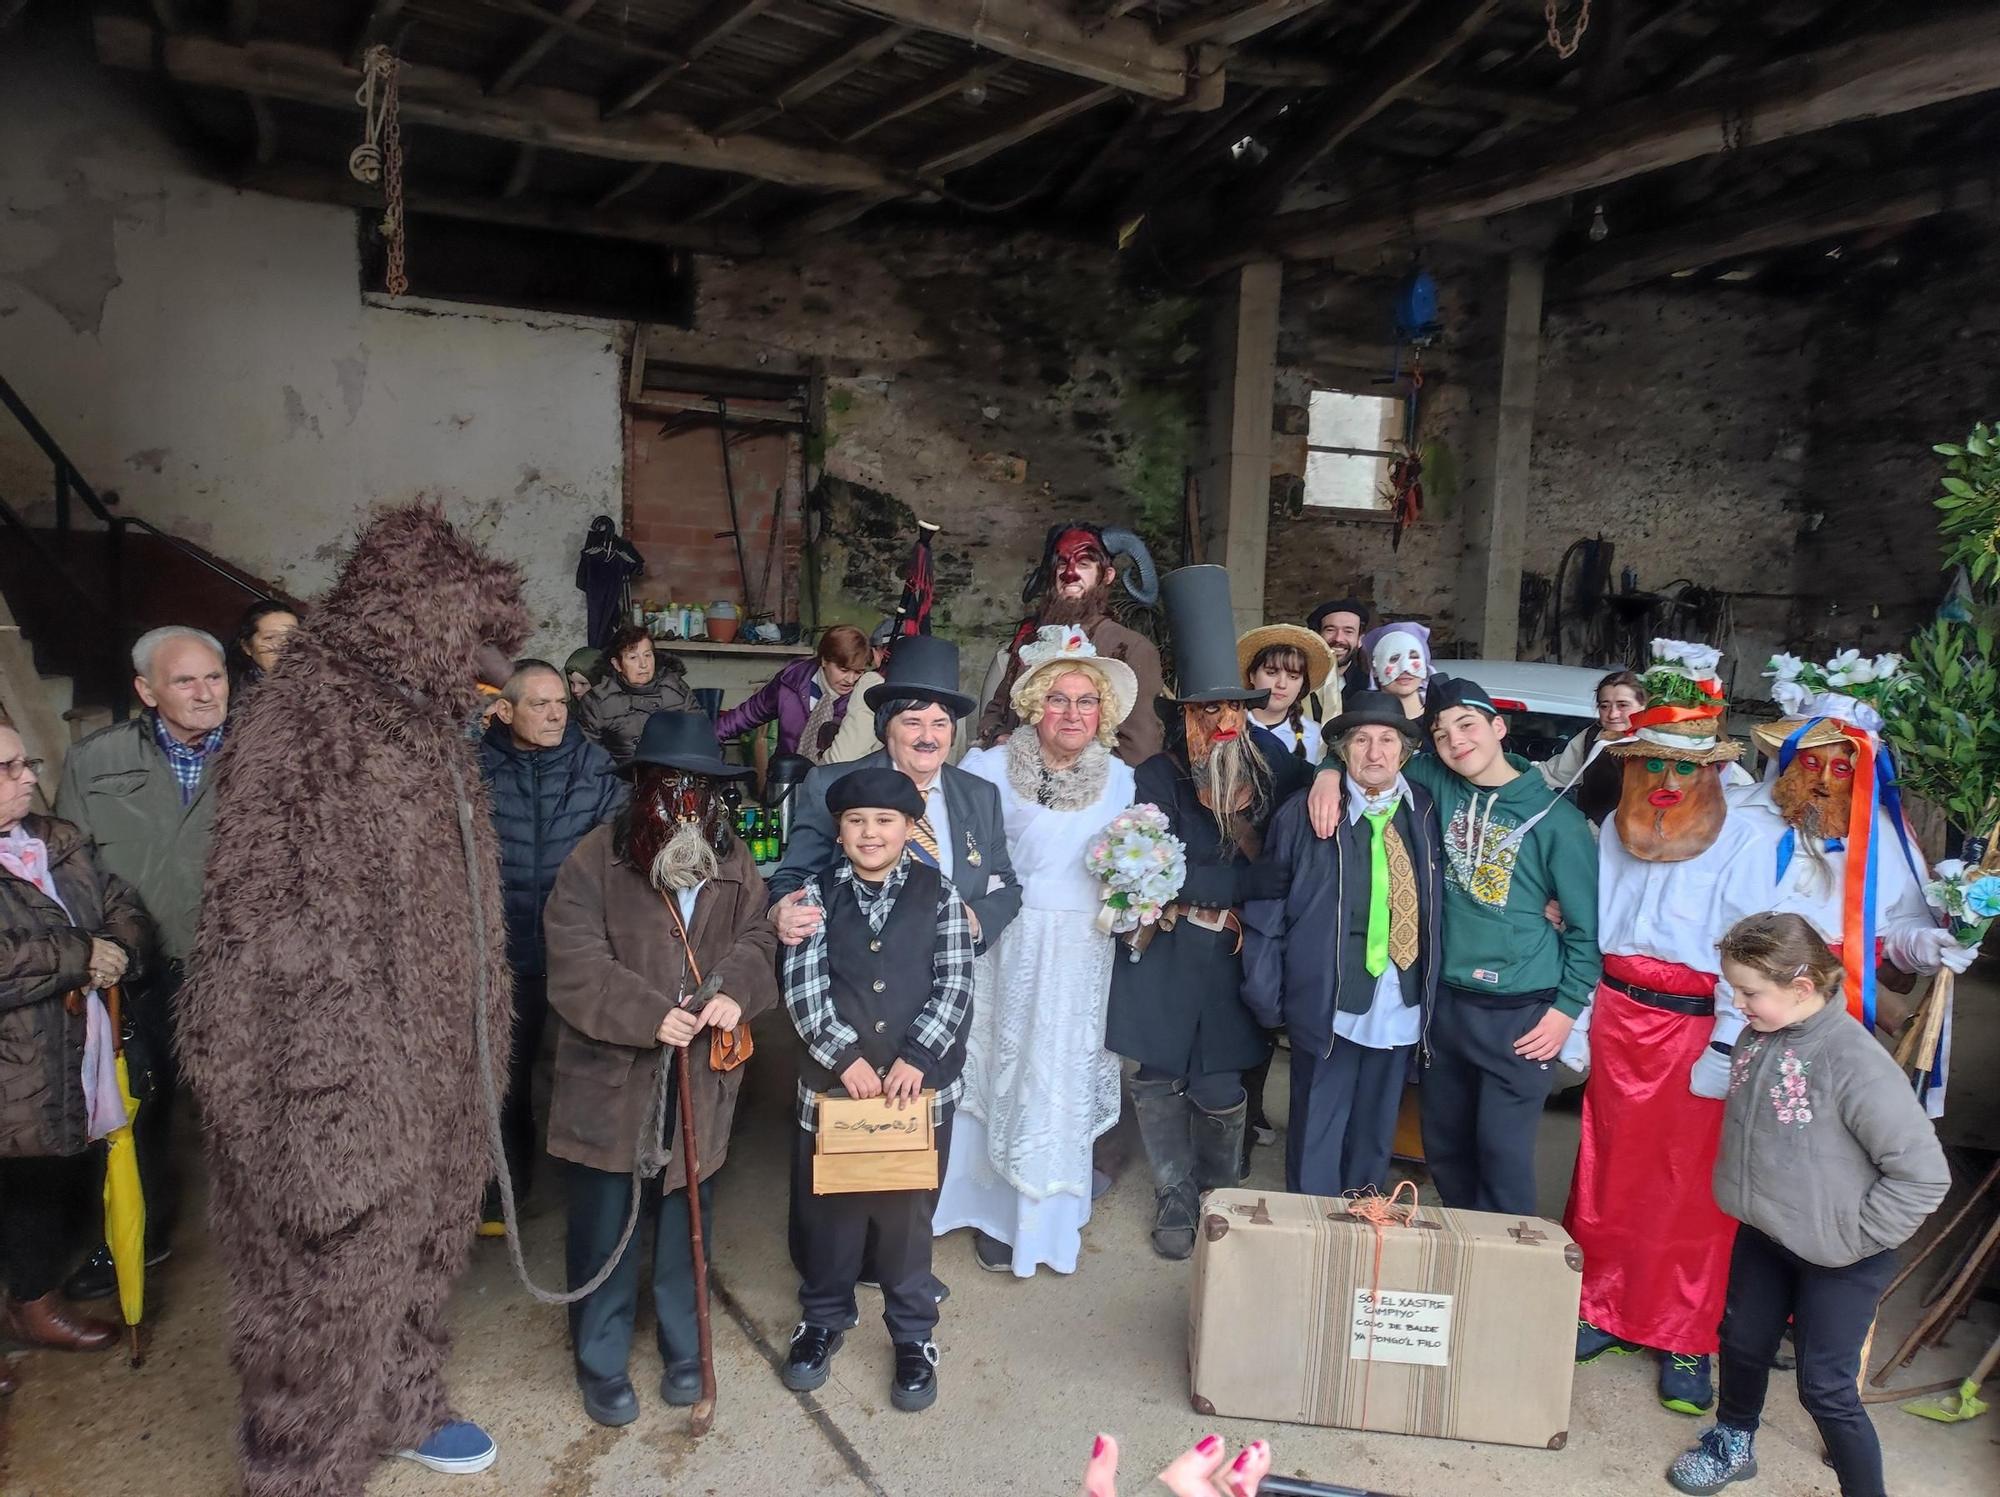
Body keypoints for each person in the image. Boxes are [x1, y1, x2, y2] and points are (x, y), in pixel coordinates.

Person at [179, 504, 528, 1490]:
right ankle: (298, 1469)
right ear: (421, 623)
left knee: (420, 1257)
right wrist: (334, 1108)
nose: (489, 681)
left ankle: (405, 1406)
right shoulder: (311, 721)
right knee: (324, 1294)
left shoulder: (428, 722)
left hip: (433, 1065)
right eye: (478, 653)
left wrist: (470, 1056)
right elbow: (271, 937)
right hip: (337, 1087)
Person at [543, 710, 778, 1427]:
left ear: (715, 795)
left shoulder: (734, 859)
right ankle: (601, 1357)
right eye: (668, 784)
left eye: (698, 787)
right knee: (607, 1220)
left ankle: (685, 1347)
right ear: (642, 788)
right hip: (611, 1074)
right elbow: (574, 957)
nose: (684, 801)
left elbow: (759, 937)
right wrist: (648, 1012)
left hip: (700, 1075)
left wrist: (733, 992)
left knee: (687, 1215)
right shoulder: (595, 859)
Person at [1666, 913, 1949, 1497]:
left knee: (1825, 1388)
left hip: (1842, 1254)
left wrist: (1856, 1237)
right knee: (1742, 1343)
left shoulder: (1855, 1064)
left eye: (1749, 992)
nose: (1737, 1003)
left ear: (1801, 988)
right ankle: (1733, 1441)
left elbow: (1924, 1176)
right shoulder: (1758, 1035)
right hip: (1766, 1231)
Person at [1563, 643, 1774, 1416]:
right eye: (1653, 766)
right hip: (1618, 1016)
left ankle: (1685, 1334)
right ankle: (1602, 1306)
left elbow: (1750, 945)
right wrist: (1583, 1015)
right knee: (1606, 1167)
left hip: (1696, 1029)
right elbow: (1594, 925)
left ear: (1713, 769)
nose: (1668, 783)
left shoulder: (1745, 837)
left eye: (1685, 768)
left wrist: (1727, 1038)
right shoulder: (1615, 827)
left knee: (1689, 1188)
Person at [1305, 673, 1600, 1217]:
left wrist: (1565, 1011)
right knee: (1445, 1148)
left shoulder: (1559, 821)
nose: (1455, 742)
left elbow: (1586, 931)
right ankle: (1467, 1262)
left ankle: (1511, 1272)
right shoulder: (1436, 786)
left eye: (1467, 726)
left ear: (1498, 727)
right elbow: (1370, 759)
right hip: (1442, 1004)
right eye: (1440, 734)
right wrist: (1327, 772)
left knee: (1503, 1153)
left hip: (1521, 1012)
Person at [1106, 566, 1307, 1260]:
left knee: (1222, 1082)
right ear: (1184, 716)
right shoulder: (1157, 775)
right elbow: (1152, 866)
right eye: (1204, 712)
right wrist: (1243, 880)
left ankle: (1218, 1195)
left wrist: (1337, 769)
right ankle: (1173, 1192)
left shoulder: (1279, 768)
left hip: (1231, 957)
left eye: (1232, 710)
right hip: (1167, 950)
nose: (1221, 724)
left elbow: (1295, 852)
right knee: (1158, 1073)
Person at [934, 626, 1137, 1276]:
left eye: (1085, 701)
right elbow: (960, 860)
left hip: (1081, 951)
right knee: (998, 1069)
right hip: (1007, 945)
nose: (1072, 713)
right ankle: (987, 1210)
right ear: (1032, 706)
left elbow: (1130, 867)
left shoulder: (1123, 781)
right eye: (1058, 699)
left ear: (1101, 711)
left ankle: (1046, 1215)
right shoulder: (987, 769)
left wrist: (1139, 895)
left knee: (1056, 1077)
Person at [780, 766, 975, 1414]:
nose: (870, 832)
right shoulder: (812, 895)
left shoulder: (937, 893)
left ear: (909, 828)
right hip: (836, 1089)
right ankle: (824, 1318)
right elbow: (803, 986)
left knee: (907, 1215)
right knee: (829, 1211)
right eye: (857, 820)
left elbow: (954, 981)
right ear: (840, 830)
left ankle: (914, 1333)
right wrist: (843, 1056)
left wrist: (917, 1056)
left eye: (885, 821)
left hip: (914, 1092)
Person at [55, 623, 228, 1298]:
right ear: (145, 690)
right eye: (184, 680)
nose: (204, 692)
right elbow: (73, 870)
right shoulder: (94, 761)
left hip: (236, 967)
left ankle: (278, 1235)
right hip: (138, 970)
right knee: (135, 1107)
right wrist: (95, 950)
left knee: (252, 1109)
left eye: (214, 676)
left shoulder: (265, 753)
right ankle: (135, 1237)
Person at [1243, 691, 1442, 1197]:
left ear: (1405, 751)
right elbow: (1268, 909)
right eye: (1361, 740)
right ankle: (1310, 1226)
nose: (1374, 753)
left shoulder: (1425, 809)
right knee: (1317, 1123)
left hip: (1402, 995)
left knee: (1377, 1126)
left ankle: (1363, 1218)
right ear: (1341, 750)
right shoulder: (1303, 814)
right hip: (1327, 994)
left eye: (1387, 740)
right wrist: (1266, 993)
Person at [0, 718, 151, 1356]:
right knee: (19, 1185)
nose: (29, 776)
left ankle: (32, 1304)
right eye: (7, 770)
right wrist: (78, 954)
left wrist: (114, 946)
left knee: (49, 1181)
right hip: (15, 1060)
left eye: (25, 761)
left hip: (66, 1046)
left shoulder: (54, 839)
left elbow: (122, 901)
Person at [476, 659, 626, 1231]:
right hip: (501, 946)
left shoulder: (592, 766)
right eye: (538, 704)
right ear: (505, 710)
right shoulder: (474, 767)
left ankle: (594, 1190)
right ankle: (502, 1190)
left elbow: (616, 847)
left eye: (561, 702)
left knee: (585, 1069)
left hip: (576, 949)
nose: (555, 713)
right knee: (503, 1074)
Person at [768, 633, 1020, 952]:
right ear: (887, 727)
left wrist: (977, 920)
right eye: (913, 722)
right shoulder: (831, 784)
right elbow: (793, 877)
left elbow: (1006, 886)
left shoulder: (980, 795)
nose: (928, 737)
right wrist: (780, 909)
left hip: (949, 976)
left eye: (940, 724)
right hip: (853, 978)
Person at [976, 522, 1164, 766]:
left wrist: (1069, 776)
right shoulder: (1031, 641)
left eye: (1084, 564)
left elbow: (1140, 749)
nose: (1070, 573)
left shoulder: (1133, 648)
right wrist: (999, 736)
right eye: (1063, 564)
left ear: (1107, 576)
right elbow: (995, 711)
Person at [716, 623, 871, 760]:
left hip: (837, 785)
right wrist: (709, 738)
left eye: (858, 672)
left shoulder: (864, 699)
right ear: (824, 660)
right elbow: (749, 713)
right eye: (843, 670)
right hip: (787, 777)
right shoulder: (791, 681)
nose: (850, 680)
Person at [1536, 668, 1644, 825]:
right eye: (1604, 706)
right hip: (1596, 837)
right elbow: (1554, 774)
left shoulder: (1665, 744)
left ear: (1643, 705)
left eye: (1623, 705)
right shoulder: (1592, 737)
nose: (1613, 714)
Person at [578, 623, 693, 765]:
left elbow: (701, 736)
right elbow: (590, 755)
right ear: (617, 664)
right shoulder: (597, 700)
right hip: (621, 779)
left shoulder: (676, 688)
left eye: (648, 655)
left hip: (673, 776)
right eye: (633, 658)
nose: (643, 664)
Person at [1237, 624, 1333, 766]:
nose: (1282, 684)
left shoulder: (1317, 736)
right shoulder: (1227, 727)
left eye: (1293, 676)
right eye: (1271, 673)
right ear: (1252, 676)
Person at [1307, 597, 1371, 714]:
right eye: (1330, 630)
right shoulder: (1300, 682)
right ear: (1318, 635)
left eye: (1348, 631)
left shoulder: (1369, 686)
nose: (1338, 639)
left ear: (1359, 639)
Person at [227, 600, 302, 695]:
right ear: (247, 647)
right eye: (270, 638)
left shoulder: (318, 679)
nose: (285, 646)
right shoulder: (236, 694)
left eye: (293, 636)